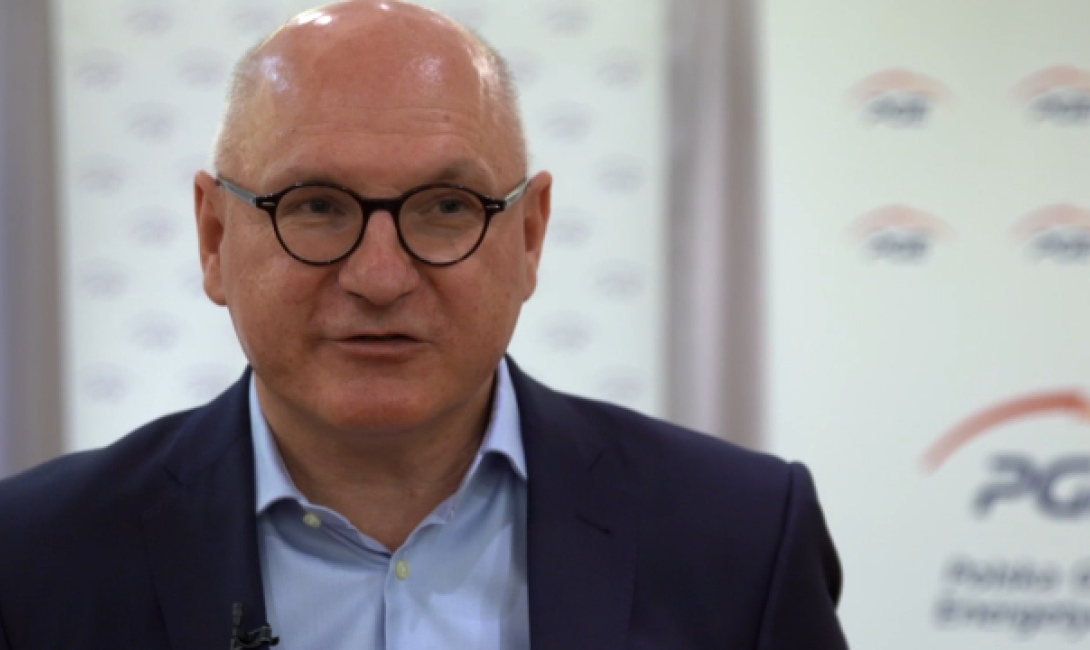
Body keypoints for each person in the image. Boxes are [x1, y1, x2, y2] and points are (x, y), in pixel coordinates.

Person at [0, 2, 848, 648]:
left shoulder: (742, 539)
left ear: (529, 236)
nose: (380, 277)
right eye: (316, 205)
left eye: (447, 207)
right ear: (215, 238)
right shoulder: (33, 558)